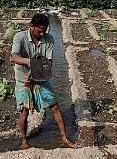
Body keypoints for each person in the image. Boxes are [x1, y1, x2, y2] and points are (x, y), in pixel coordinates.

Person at [10, 13, 76, 149]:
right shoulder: (20, 37)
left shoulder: (49, 38)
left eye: (44, 31)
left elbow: (48, 61)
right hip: (23, 80)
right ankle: (24, 140)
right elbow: (14, 58)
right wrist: (31, 62)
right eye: (39, 31)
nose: (41, 34)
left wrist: (35, 70)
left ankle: (64, 138)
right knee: (24, 111)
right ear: (31, 26)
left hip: (40, 78)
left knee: (55, 107)